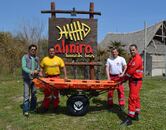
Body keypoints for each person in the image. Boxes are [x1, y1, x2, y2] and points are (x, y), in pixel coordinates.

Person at [121, 44, 143, 126]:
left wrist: (124, 79)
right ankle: (136, 114)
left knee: (132, 98)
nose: (131, 51)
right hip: (133, 81)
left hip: (136, 81)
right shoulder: (132, 59)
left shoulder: (137, 59)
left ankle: (129, 118)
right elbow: (128, 69)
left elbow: (130, 72)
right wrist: (123, 76)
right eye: (130, 50)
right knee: (136, 98)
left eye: (133, 50)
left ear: (136, 50)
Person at [39, 46, 67, 112]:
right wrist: (40, 73)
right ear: (48, 52)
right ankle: (45, 107)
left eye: (53, 51)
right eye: (50, 51)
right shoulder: (44, 59)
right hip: (47, 78)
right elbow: (41, 68)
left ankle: (56, 106)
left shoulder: (59, 59)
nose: (51, 52)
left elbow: (63, 67)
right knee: (47, 93)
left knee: (55, 93)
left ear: (55, 52)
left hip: (56, 77)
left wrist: (65, 76)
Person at [21, 44, 40, 116]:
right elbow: (24, 67)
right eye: (32, 49)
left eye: (35, 49)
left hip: (35, 79)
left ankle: (33, 108)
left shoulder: (37, 58)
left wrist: (38, 71)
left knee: (34, 94)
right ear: (29, 50)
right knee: (26, 95)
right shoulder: (25, 57)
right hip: (27, 79)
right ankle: (26, 110)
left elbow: (38, 67)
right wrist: (31, 71)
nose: (33, 50)